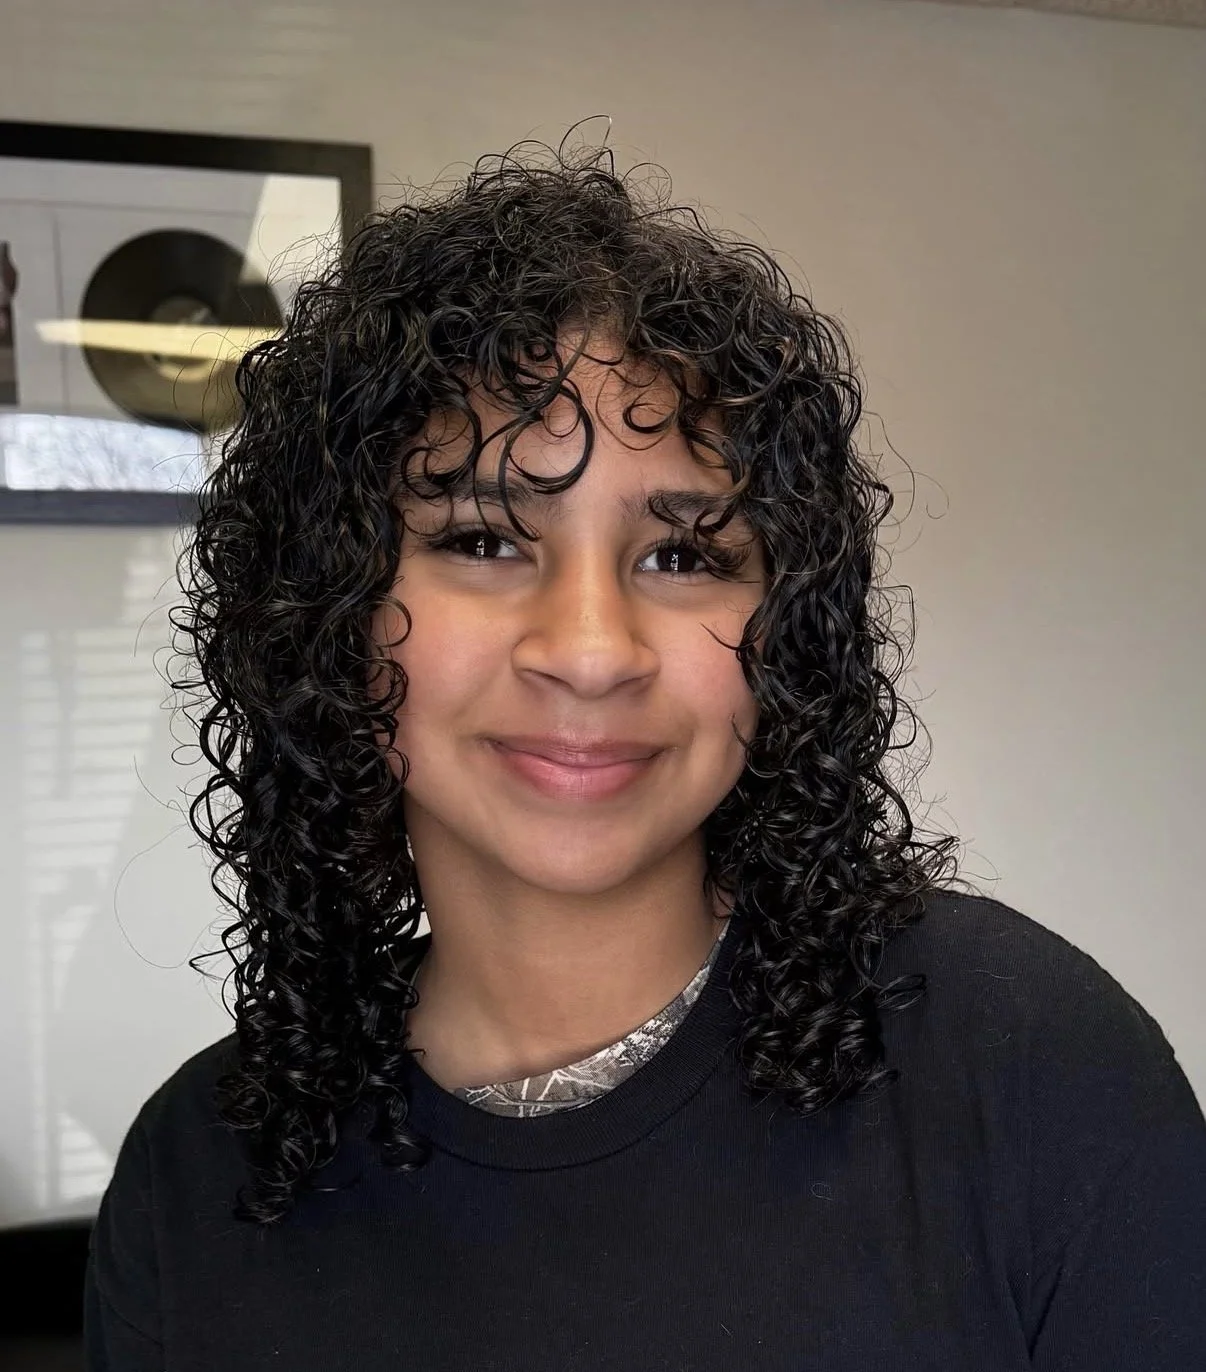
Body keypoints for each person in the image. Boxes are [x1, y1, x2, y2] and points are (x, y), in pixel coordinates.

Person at [83, 136, 1206, 1371]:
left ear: (787, 630)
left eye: (684, 555)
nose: (590, 650)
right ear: (326, 611)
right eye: (482, 539)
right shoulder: (193, 1184)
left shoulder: (1030, 1067)